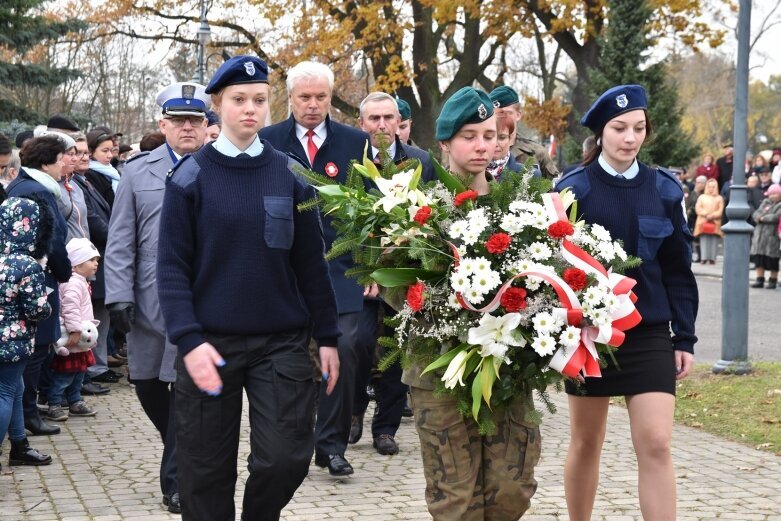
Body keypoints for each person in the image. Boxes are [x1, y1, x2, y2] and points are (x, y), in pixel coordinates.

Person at [157, 55, 341, 521]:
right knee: (204, 472)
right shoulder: (189, 178)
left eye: (259, 100)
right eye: (239, 100)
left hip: (279, 342)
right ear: (217, 106)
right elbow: (172, 268)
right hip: (209, 345)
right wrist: (188, 339)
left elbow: (310, 265)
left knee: (286, 457)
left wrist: (329, 338)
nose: (250, 109)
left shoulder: (291, 175)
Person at [555, 84, 698, 520]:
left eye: (638, 128)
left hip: (649, 332)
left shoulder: (666, 191)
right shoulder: (572, 189)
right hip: (590, 335)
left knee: (656, 442)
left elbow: (677, 270)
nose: (630, 138)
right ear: (601, 132)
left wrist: (684, 337)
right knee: (586, 440)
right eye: (619, 128)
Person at [405, 86, 542, 521]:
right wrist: (441, 296)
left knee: (512, 489)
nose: (483, 145)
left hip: (507, 369)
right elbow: (394, 286)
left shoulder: (519, 208)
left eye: (490, 133)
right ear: (444, 143)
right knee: (454, 496)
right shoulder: (416, 208)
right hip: (439, 368)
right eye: (469, 135)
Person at [260, 60, 369, 477]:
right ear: (290, 98)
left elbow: (372, 205)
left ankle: (332, 445)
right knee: (289, 359)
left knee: (342, 351)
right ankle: (294, 440)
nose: (313, 105)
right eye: (304, 97)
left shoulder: (354, 143)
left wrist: (369, 271)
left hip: (339, 271)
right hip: (284, 272)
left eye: (320, 96)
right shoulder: (269, 141)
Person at [105, 81, 210, 514]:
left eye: (196, 120)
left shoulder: (217, 167)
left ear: (207, 126)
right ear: (162, 124)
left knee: (185, 392)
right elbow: (120, 240)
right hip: (147, 301)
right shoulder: (136, 171)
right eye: (179, 120)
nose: (187, 127)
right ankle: (182, 445)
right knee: (146, 384)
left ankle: (178, 482)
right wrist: (117, 296)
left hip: (199, 298)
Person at [6, 135, 73, 437]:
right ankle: (28, 417)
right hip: (37, 281)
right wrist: (65, 271)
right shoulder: (39, 191)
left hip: (24, 279)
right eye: (61, 159)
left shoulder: (23, 184)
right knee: (35, 352)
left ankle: (23, 419)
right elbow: (53, 240)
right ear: (46, 163)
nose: (64, 165)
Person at [0, 196, 55, 468]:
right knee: (5, 391)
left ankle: (20, 445)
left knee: (16, 388)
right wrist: (46, 309)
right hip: (13, 341)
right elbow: (36, 310)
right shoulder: (26, 264)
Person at [45, 238, 100, 421]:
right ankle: (54, 403)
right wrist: (76, 330)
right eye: (91, 260)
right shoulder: (73, 282)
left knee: (79, 372)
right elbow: (70, 307)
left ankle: (75, 401)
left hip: (82, 337)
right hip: (74, 336)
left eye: (96, 260)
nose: (96, 264)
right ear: (76, 264)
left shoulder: (80, 281)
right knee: (66, 374)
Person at [489, 85, 558, 180]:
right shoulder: (483, 152)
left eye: (507, 113)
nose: (502, 118)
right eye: (496, 114)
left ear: (518, 115)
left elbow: (554, 191)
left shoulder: (537, 153)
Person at [749, 184, 781, 289]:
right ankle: (760, 279)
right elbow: (755, 214)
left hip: (772, 237)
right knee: (759, 260)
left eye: (775, 193)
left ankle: (773, 280)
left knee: (772, 260)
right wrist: (760, 217)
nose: (772, 196)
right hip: (759, 237)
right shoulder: (765, 202)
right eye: (771, 194)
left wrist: (762, 218)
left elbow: (775, 217)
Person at [486, 115, 531, 181]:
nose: (495, 144)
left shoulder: (529, 175)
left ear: (510, 139)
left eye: (502, 138)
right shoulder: (468, 173)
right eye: (489, 137)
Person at [693, 178, 724, 265]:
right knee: (703, 240)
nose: (711, 189)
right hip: (703, 221)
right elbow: (698, 208)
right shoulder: (702, 197)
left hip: (715, 222)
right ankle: (703, 257)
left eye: (713, 187)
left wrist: (713, 216)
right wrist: (707, 214)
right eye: (709, 187)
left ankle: (712, 258)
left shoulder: (719, 198)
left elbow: (720, 210)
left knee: (714, 241)